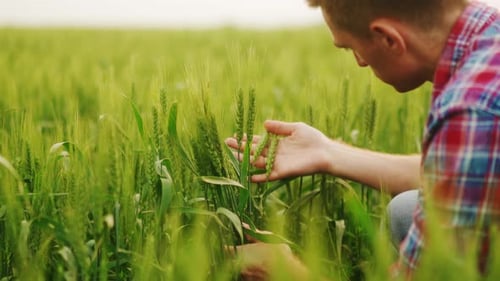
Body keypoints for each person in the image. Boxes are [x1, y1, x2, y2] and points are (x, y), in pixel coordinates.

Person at [225, 0, 500, 280]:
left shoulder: (472, 114)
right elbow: (458, 172)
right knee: (407, 209)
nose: (360, 62)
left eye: (350, 46)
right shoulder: (488, 30)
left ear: (389, 39)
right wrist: (327, 152)